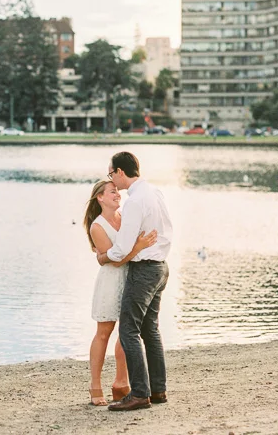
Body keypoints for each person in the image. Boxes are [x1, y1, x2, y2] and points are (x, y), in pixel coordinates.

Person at [97, 152, 173, 411]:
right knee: (150, 330)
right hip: (161, 266)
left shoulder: (135, 201)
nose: (112, 181)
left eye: (111, 174)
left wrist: (103, 256)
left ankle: (140, 393)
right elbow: (166, 231)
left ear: (120, 172)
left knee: (128, 330)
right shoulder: (155, 192)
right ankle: (158, 390)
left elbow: (121, 248)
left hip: (143, 271)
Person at [84, 179, 157, 406]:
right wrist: (138, 247)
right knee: (104, 332)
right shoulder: (97, 226)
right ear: (100, 198)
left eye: (117, 191)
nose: (118, 194)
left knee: (127, 332)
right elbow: (114, 261)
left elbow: (117, 255)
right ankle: (95, 385)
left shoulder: (124, 218)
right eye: (112, 192)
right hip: (110, 282)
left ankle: (121, 382)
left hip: (130, 279)